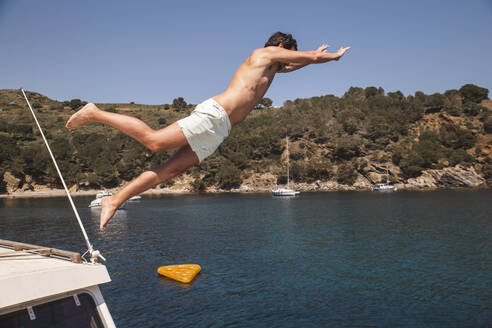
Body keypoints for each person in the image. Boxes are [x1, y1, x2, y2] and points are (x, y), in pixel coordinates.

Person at [66, 32, 350, 230]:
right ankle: (95, 113)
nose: (288, 59)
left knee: (170, 171)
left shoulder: (272, 69)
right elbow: (307, 57)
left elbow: (299, 63)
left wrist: (315, 59)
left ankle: (114, 200)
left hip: (221, 129)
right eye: (287, 51)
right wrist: (330, 56)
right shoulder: (264, 53)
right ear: (279, 45)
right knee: (154, 142)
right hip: (214, 114)